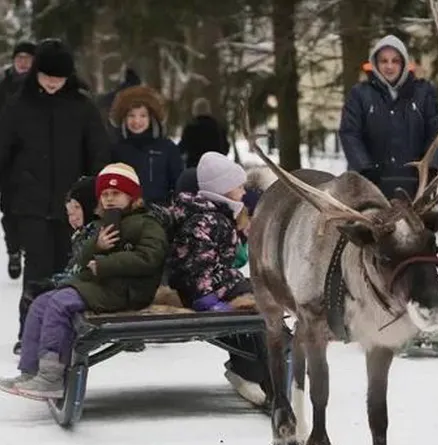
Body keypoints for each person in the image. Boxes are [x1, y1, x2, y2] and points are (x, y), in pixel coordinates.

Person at [0, 163, 168, 399]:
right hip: (104, 286)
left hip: (129, 291)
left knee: (60, 304)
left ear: (132, 196)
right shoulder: (104, 223)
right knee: (40, 304)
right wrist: (96, 246)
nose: (109, 199)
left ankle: (51, 377)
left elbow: (149, 258)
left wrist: (105, 264)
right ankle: (30, 371)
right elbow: (81, 260)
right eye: (105, 194)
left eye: (116, 194)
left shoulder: (147, 223)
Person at [0, 38, 110, 354]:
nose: (51, 83)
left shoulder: (82, 106)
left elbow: (98, 154)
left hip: (72, 205)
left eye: (58, 78)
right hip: (29, 204)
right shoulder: (18, 105)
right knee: (36, 272)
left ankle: (69, 331)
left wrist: (89, 195)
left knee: (71, 271)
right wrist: (9, 193)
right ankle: (29, 334)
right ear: (36, 72)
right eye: (46, 76)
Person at [164, 151, 267, 406]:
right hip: (204, 292)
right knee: (254, 309)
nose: (243, 192)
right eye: (239, 186)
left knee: (261, 297)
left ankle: (268, 362)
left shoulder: (219, 215)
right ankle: (253, 371)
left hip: (218, 283)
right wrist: (207, 298)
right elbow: (197, 265)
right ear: (223, 188)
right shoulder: (207, 220)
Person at [338, 34, 438, 199]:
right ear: (375, 63)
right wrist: (364, 169)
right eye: (384, 61)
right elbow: (350, 133)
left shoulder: (424, 93)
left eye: (395, 61)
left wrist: (431, 168)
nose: (389, 66)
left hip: (416, 186)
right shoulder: (359, 94)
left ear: (404, 63)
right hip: (369, 187)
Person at [109, 84, 183, 206]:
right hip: (125, 215)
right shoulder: (116, 150)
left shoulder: (167, 148)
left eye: (142, 115)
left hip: (160, 215)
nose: (137, 121)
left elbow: (178, 184)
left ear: (151, 118)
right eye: (131, 115)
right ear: (124, 118)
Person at [0, 40, 35, 280]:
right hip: (7, 158)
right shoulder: (3, 86)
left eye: (27, 58)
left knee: (33, 209)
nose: (23, 62)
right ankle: (13, 250)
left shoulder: (40, 87)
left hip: (33, 157)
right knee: (10, 210)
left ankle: (31, 251)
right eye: (19, 57)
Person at [178, 97, 229, 168]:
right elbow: (225, 148)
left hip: (196, 168)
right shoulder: (218, 127)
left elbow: (182, 148)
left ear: (195, 110)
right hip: (216, 168)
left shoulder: (190, 128)